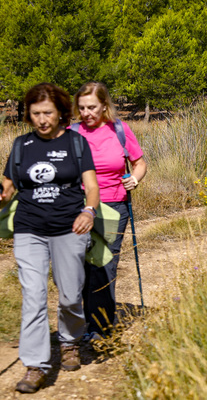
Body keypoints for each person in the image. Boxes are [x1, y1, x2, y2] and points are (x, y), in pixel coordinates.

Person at [0, 83, 100, 394]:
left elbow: (92, 187)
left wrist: (88, 212)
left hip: (70, 227)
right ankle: (36, 365)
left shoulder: (76, 143)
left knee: (70, 295)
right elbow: (8, 187)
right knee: (33, 297)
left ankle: (69, 341)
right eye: (35, 114)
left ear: (59, 114)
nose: (42, 119)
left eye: (48, 113)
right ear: (28, 115)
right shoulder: (21, 146)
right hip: (30, 228)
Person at [72, 82, 147, 340]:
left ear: (104, 105)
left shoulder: (119, 130)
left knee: (103, 265)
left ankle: (99, 328)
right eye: (81, 108)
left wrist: (134, 179)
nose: (86, 113)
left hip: (114, 206)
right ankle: (85, 318)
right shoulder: (70, 132)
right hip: (77, 208)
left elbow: (139, 163)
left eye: (92, 107)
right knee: (79, 266)